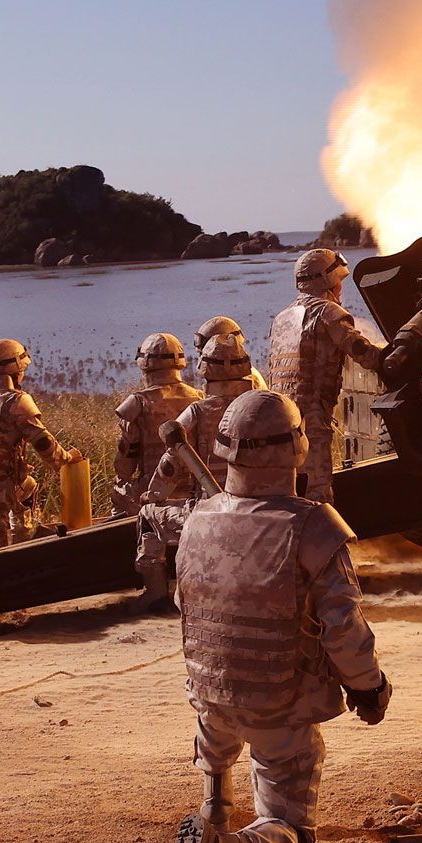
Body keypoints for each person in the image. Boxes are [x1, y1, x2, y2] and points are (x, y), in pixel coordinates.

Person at [150, 389, 390, 843]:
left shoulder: (196, 522)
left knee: (221, 727)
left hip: (209, 697)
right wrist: (369, 687)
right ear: (296, 448)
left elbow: (186, 605)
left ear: (226, 449)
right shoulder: (314, 527)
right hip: (278, 705)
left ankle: (214, 806)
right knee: (290, 828)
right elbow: (342, 626)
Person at [133, 330, 262, 608]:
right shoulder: (265, 407)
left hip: (214, 514)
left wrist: (153, 496)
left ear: (205, 369)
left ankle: (155, 594)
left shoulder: (197, 412)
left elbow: (169, 465)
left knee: (148, 516)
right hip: (264, 509)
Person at [266, 249, 383, 505]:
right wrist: (391, 362)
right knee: (318, 495)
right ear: (328, 280)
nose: (342, 287)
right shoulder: (329, 313)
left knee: (290, 490)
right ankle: (322, 544)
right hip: (313, 419)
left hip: (280, 419)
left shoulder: (282, 318)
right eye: (340, 280)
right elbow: (361, 351)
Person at [0, 339, 81, 552]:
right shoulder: (16, 401)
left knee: (29, 488)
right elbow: (43, 442)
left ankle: (23, 543)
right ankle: (18, 552)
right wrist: (67, 458)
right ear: (16, 371)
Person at [113, 333, 204, 516]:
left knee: (117, 490)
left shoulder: (138, 404)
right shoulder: (200, 397)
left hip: (153, 492)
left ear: (144, 363)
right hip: (196, 492)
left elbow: (124, 467)